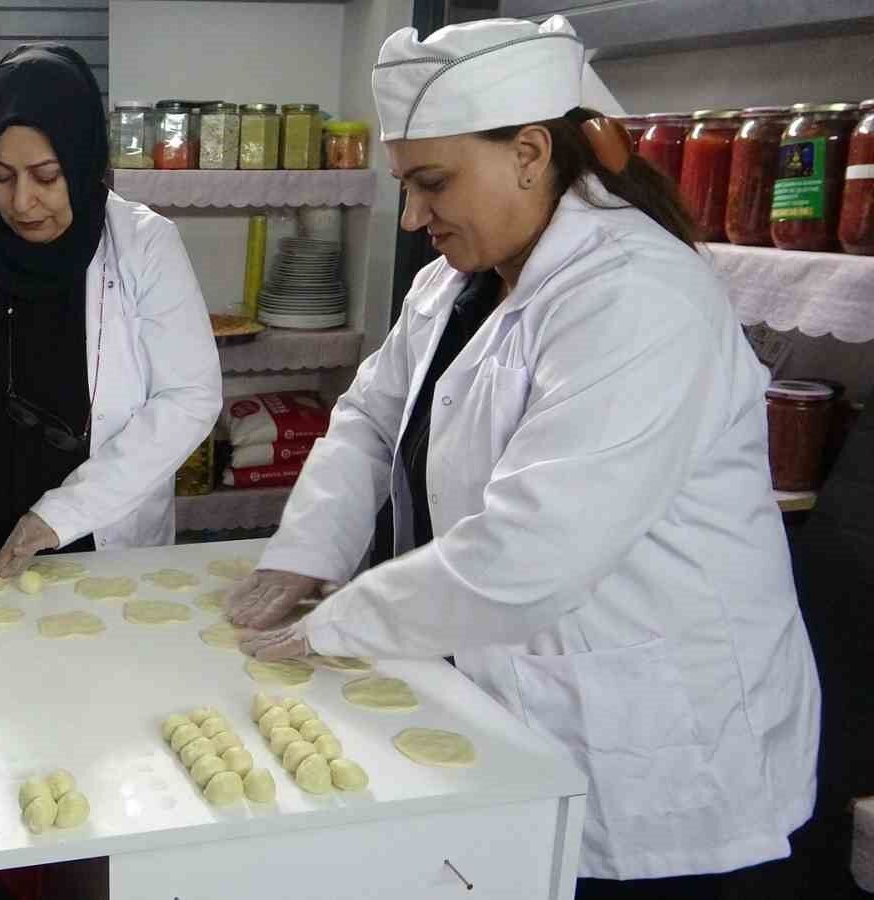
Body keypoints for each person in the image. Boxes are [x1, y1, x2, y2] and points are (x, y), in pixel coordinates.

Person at [226, 16, 819, 895]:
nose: (414, 215)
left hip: (658, 741)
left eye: (433, 182)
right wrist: (303, 555)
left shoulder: (638, 296)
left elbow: (531, 551)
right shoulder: (453, 281)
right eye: (405, 185)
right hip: (512, 703)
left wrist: (331, 627)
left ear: (531, 152)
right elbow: (367, 418)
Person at [0, 44, 220, 578]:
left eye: (46, 175)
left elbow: (190, 396)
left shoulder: (144, 245)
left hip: (95, 532)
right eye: (1, 175)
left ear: (81, 161)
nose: (20, 202)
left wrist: (63, 513)